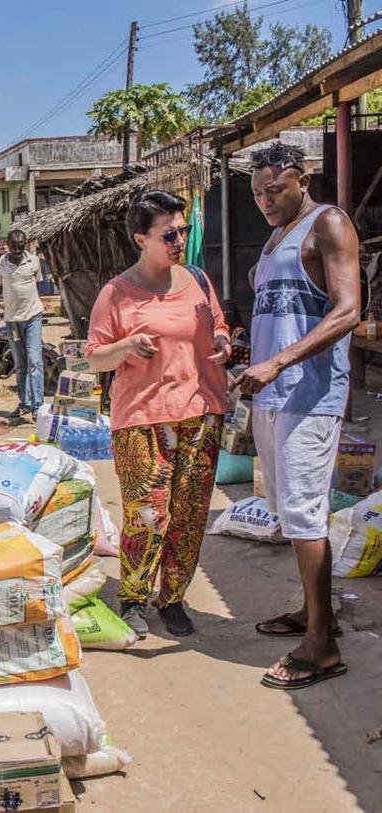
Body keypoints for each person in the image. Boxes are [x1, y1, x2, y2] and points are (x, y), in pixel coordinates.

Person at [232, 141, 360, 691]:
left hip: (308, 396)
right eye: (257, 192)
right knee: (288, 511)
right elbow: (277, 315)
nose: (264, 200)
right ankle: (316, 616)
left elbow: (350, 308)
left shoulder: (327, 223)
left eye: (274, 190)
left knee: (306, 515)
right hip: (270, 396)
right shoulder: (274, 238)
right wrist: (242, 351)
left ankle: (321, 647)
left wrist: (279, 360)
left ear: (301, 178)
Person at [85, 190, 231, 639]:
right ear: (139, 239)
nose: (180, 240)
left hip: (201, 414)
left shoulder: (199, 282)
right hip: (142, 420)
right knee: (148, 515)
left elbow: (218, 326)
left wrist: (225, 342)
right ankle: (132, 595)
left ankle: (171, 598)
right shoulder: (117, 293)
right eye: (169, 233)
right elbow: (93, 358)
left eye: (183, 231)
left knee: (188, 516)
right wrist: (126, 346)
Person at [0, 229, 45, 420]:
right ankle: (25, 404)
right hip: (12, 321)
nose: (18, 251)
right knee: (20, 365)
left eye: (21, 247)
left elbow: (34, 286)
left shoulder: (34, 261)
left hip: (33, 317)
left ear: (26, 245)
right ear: (7, 245)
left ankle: (38, 407)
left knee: (35, 360)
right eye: (14, 247)